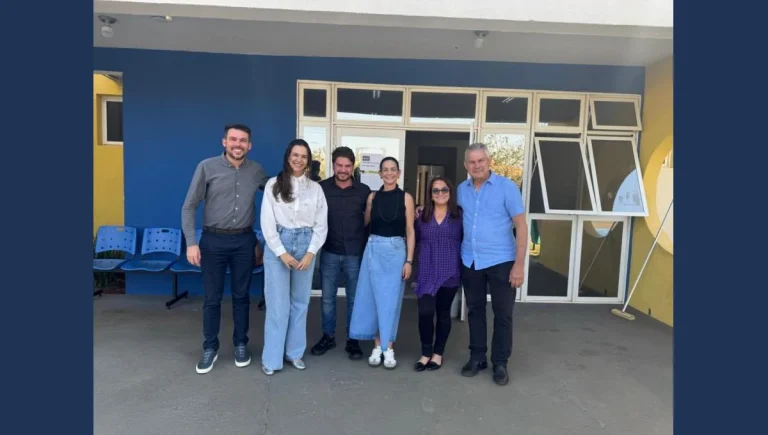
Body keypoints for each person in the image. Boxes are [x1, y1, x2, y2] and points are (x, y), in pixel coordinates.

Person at [181, 123, 269, 375]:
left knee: (242, 297)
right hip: (213, 241)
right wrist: (191, 242)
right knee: (212, 298)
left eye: (243, 141)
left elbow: (278, 191)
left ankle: (241, 344)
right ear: (224, 142)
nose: (238, 144)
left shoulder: (256, 171)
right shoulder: (206, 167)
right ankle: (210, 347)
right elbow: (189, 206)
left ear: (249, 145)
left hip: (244, 241)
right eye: (233, 139)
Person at [458, 142, 528, 386]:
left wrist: (519, 265)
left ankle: (500, 362)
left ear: (490, 162)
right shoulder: (462, 190)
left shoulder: (507, 187)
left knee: (503, 314)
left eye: (481, 160)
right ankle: (477, 357)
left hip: (502, 261)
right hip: (470, 260)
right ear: (466, 165)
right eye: (472, 162)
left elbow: (521, 226)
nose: (477, 165)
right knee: (475, 311)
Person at [260, 139, 328, 376]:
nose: (299, 159)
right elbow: (267, 223)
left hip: (306, 245)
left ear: (308, 161)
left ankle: (294, 353)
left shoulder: (315, 189)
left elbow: (321, 224)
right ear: (288, 156)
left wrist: (311, 253)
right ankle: (272, 359)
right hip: (279, 244)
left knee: (300, 303)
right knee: (278, 305)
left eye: (303, 156)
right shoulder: (273, 185)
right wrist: (282, 253)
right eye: (295, 155)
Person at [348, 157, 415, 369]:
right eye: (385, 170)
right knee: (372, 299)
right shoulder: (372, 197)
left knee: (390, 302)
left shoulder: (406, 198)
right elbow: (364, 222)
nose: (389, 173)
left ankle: (389, 347)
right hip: (374, 250)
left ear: (399, 173)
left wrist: (409, 260)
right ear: (379, 173)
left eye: (393, 169)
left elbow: (410, 231)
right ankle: (378, 346)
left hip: (396, 252)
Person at [311, 147, 370, 360]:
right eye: (339, 165)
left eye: (347, 166)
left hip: (355, 253)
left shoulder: (363, 191)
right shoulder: (321, 188)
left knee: (354, 299)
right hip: (329, 251)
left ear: (352, 166)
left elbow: (371, 219)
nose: (343, 170)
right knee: (327, 299)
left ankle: (353, 339)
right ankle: (328, 337)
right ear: (333, 165)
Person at [412, 177, 463, 372]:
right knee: (425, 313)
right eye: (436, 190)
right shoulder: (421, 215)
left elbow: (467, 240)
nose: (440, 193)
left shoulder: (459, 215)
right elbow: (413, 239)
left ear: (450, 192)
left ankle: (438, 353)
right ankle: (425, 353)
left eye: (444, 190)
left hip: (450, 270)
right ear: (430, 194)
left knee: (443, 313)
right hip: (426, 270)